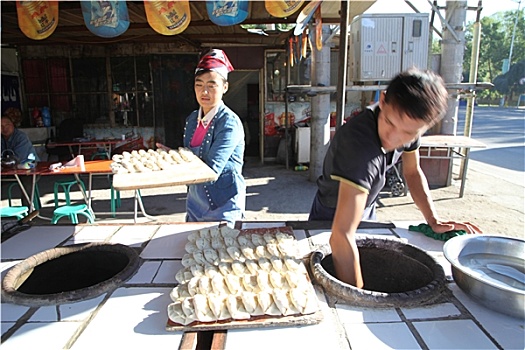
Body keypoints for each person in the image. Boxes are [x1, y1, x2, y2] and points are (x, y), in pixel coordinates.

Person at [309, 68, 482, 288]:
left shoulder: (408, 123)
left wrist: (433, 220)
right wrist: (360, 295)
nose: (394, 138)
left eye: (409, 133)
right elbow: (340, 235)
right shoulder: (359, 147)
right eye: (390, 123)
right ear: (382, 100)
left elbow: (412, 171)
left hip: (367, 207)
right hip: (330, 213)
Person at [157, 49, 246, 227]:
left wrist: (174, 166)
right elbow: (188, 155)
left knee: (220, 252)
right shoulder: (192, 119)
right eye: (199, 84)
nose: (204, 91)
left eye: (212, 85)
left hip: (222, 204)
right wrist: (171, 155)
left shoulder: (229, 123)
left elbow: (212, 169)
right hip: (194, 203)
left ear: (225, 87)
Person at [1, 115, 41, 208]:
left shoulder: (20, 137)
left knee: (27, 182)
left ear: (13, 125)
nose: (4, 128)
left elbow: (17, 158)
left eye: (7, 124)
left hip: (28, 168)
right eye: (1, 126)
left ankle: (28, 211)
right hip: (8, 169)